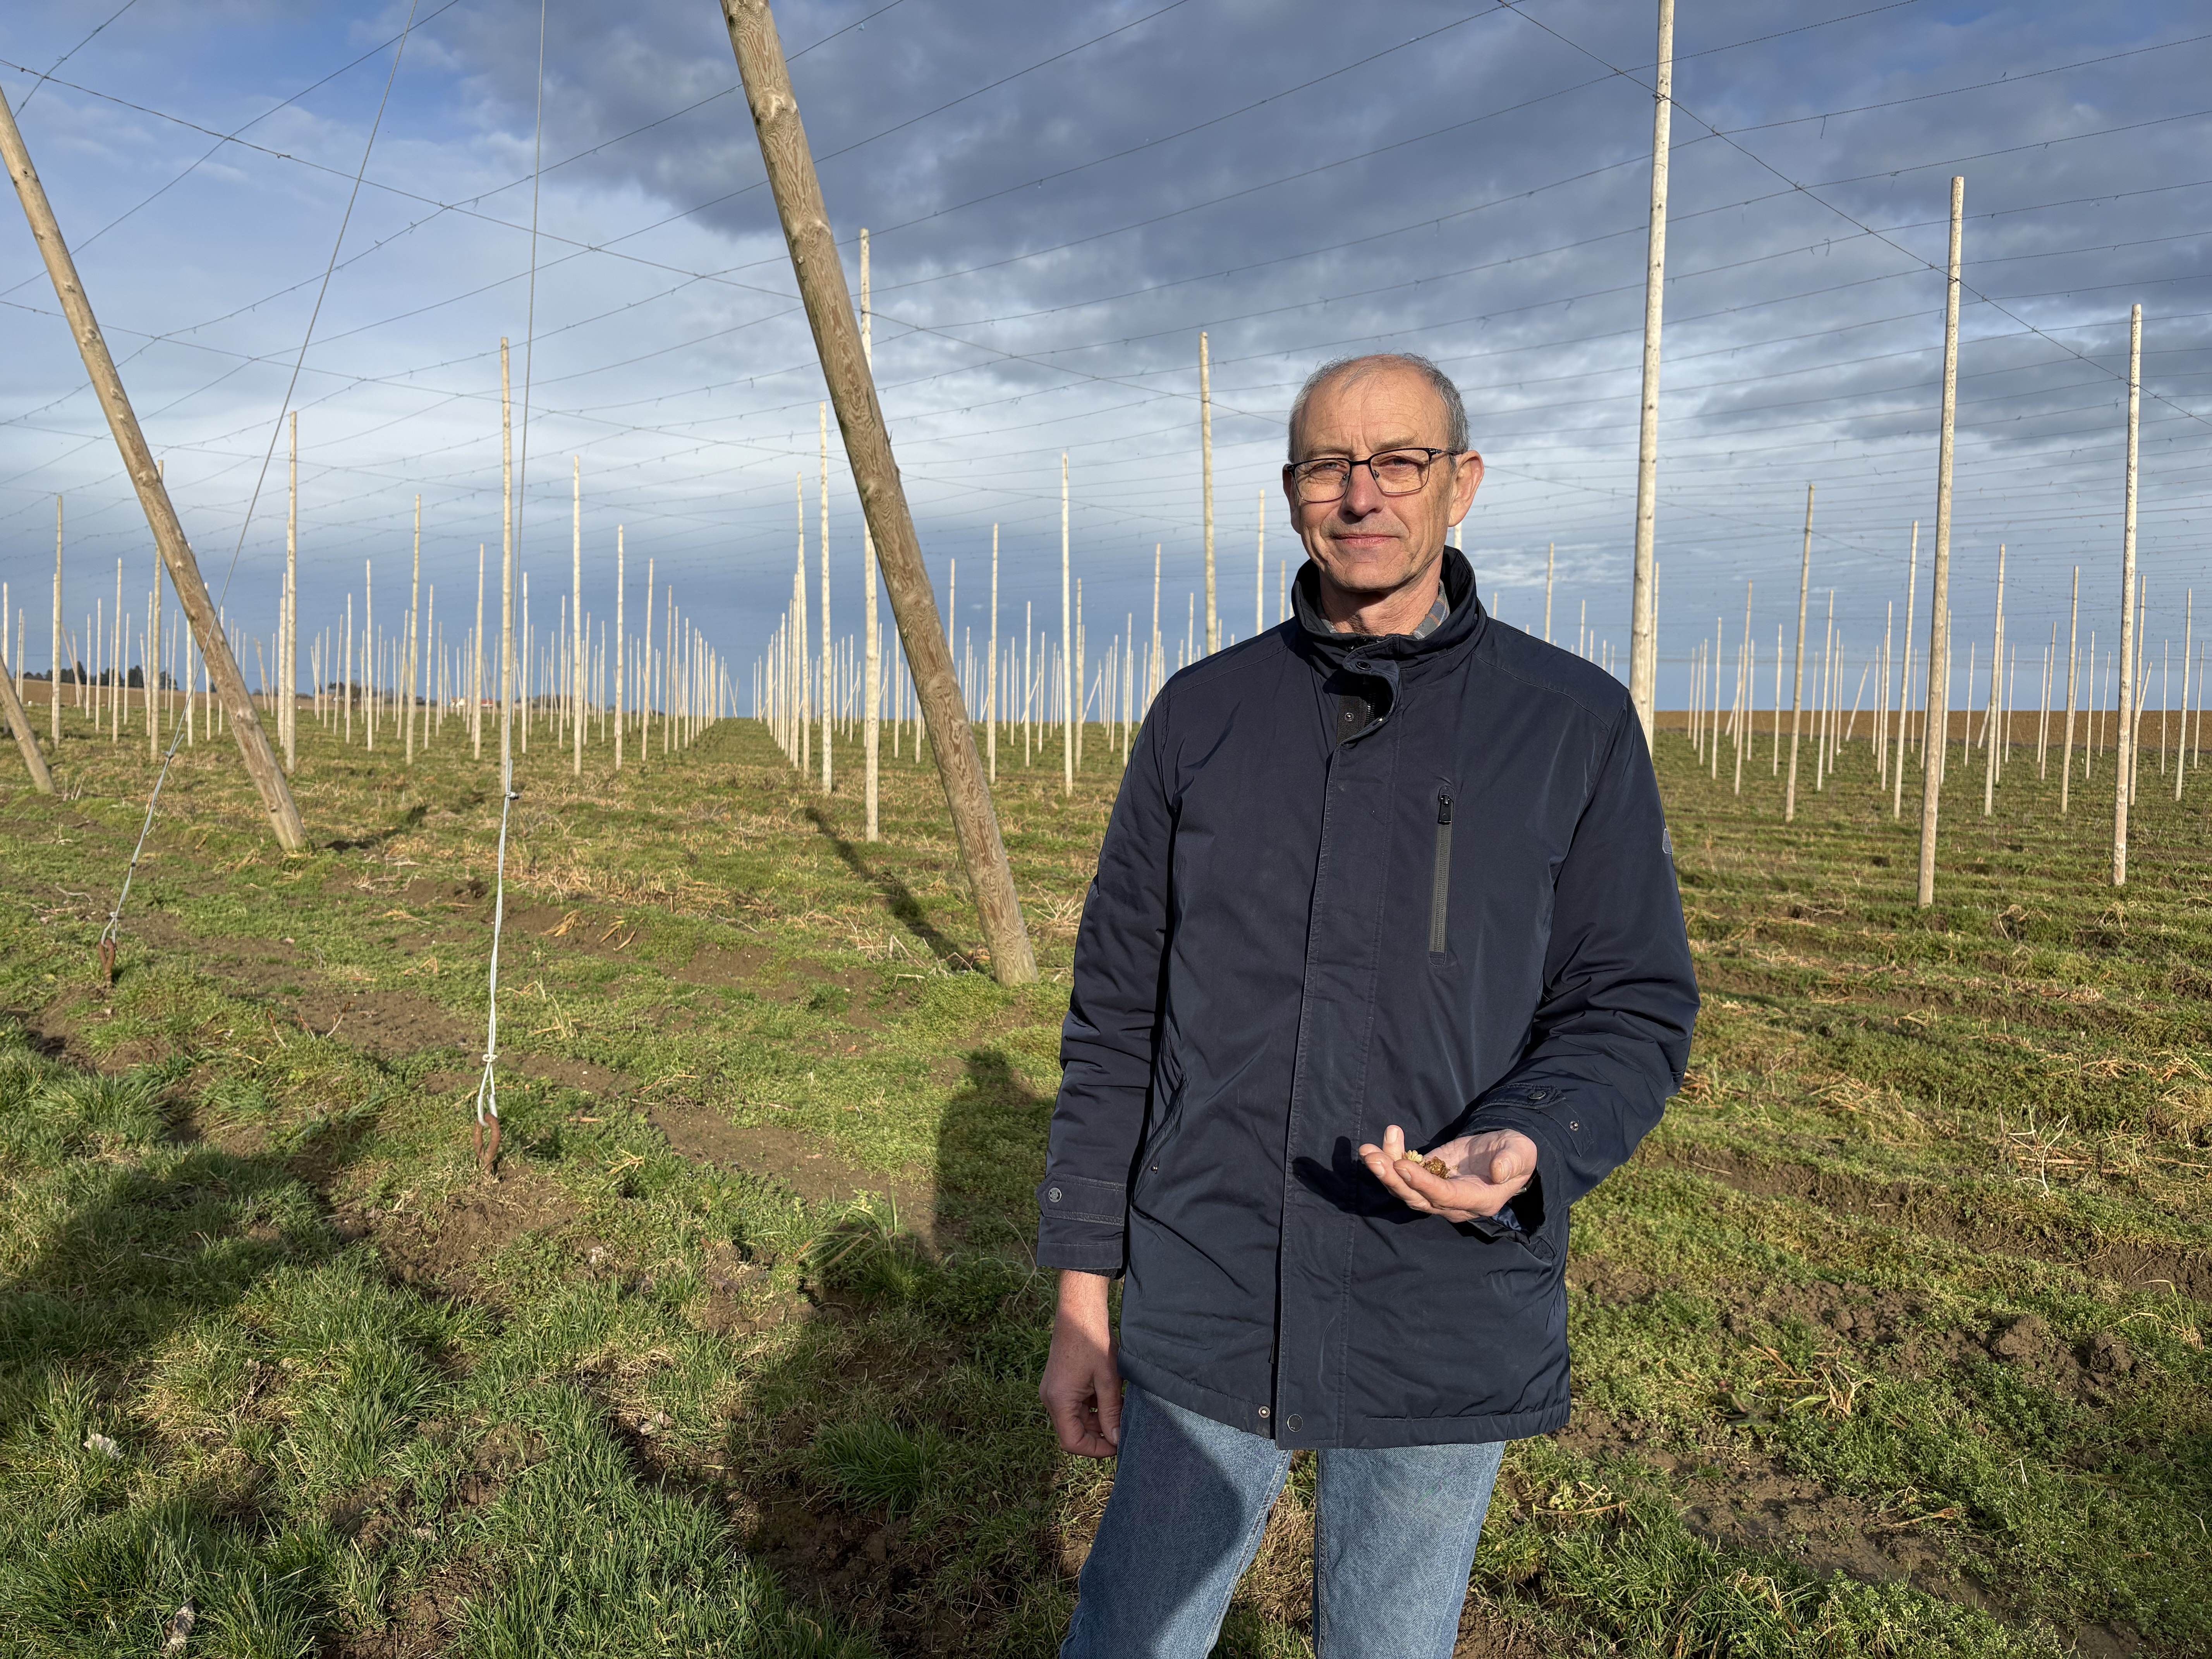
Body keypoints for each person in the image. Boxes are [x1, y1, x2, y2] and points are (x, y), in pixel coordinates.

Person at [1033, 352, 1698, 1657]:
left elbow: (1630, 1003)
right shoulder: (1204, 717)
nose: (1362, 494)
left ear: (1463, 486)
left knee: (1390, 1640)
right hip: (1213, 1279)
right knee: (1131, 1632)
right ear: (1292, 494)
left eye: (1399, 461)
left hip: (1441, 1291)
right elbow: (1116, 1019)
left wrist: (1529, 1146)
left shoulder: (1570, 723)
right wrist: (1082, 1297)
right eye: (1329, 465)